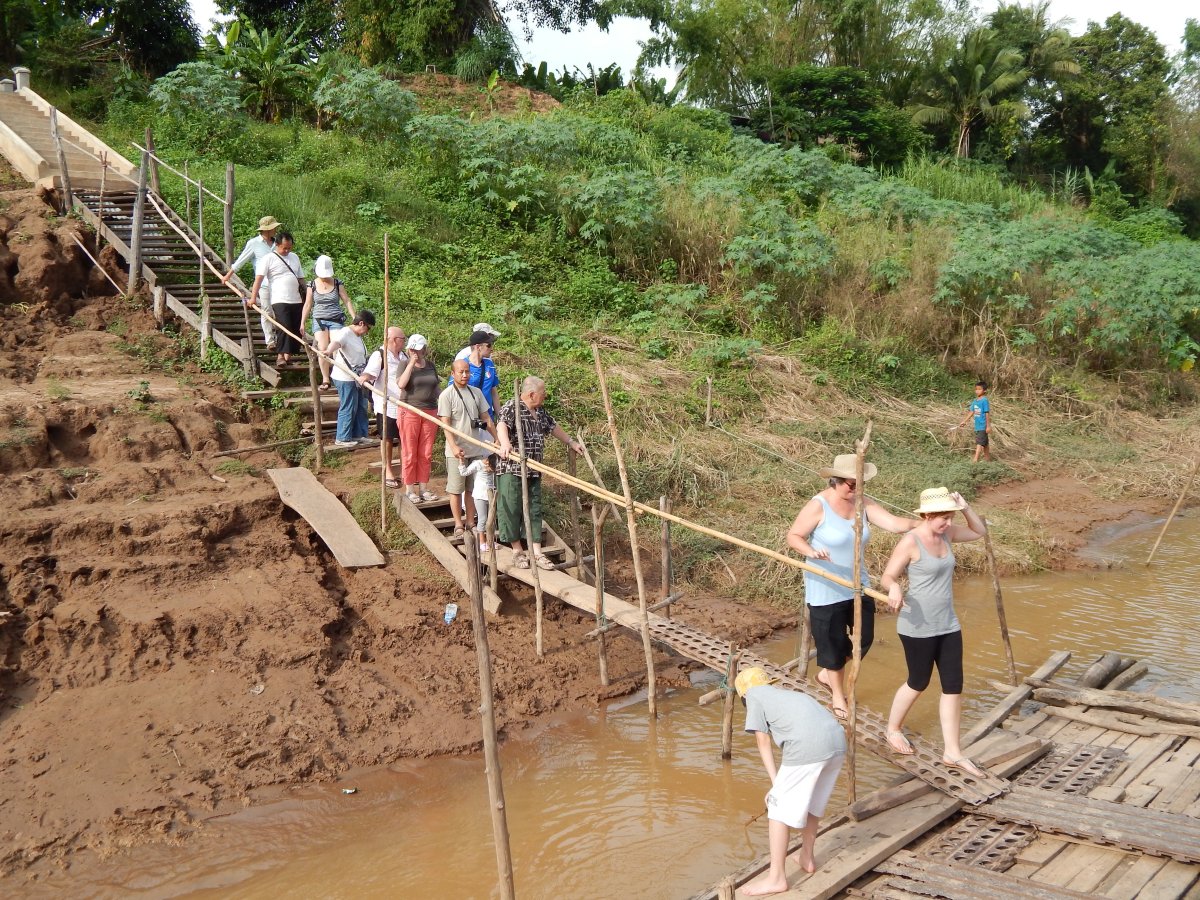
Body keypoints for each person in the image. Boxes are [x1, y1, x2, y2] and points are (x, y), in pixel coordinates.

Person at [786, 454, 918, 721]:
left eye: (860, 484)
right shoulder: (819, 505)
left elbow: (894, 524)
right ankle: (837, 694)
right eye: (851, 484)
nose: (856, 489)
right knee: (833, 645)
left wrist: (923, 523)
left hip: (857, 585)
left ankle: (827, 674)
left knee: (864, 639)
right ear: (836, 481)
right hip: (826, 588)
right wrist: (811, 552)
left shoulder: (863, 503)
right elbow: (794, 536)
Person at [881, 487, 987, 776]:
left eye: (951, 517)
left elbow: (979, 532)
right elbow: (888, 575)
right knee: (918, 682)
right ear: (927, 515)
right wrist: (893, 587)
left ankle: (953, 752)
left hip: (948, 624)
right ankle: (893, 729)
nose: (949, 523)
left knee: (953, 685)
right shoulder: (911, 541)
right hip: (917, 625)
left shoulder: (948, 534)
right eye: (944, 518)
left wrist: (965, 507)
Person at [735, 666, 846, 894]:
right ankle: (807, 856)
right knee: (813, 804)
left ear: (743, 694)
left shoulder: (753, 695)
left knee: (777, 809)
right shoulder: (791, 695)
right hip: (837, 743)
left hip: (808, 747)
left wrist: (776, 785)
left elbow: (762, 741)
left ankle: (776, 878)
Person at [496, 376, 582, 570]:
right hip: (512, 469)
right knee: (511, 507)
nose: (545, 396)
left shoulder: (540, 411)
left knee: (534, 508)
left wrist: (571, 442)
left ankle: (537, 552)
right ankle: (517, 551)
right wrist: (505, 443)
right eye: (543, 393)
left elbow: (553, 426)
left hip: (534, 470)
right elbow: (502, 425)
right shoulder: (512, 406)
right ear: (532, 394)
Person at [438, 360, 498, 537]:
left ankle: (471, 521)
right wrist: (454, 446)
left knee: (473, 488)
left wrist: (497, 438)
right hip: (458, 452)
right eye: (461, 372)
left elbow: (486, 418)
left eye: (467, 372)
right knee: (456, 489)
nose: (464, 375)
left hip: (476, 449)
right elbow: (445, 424)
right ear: (453, 374)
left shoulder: (476, 392)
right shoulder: (446, 395)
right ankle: (458, 524)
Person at [249, 230, 306, 368]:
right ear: (277, 245)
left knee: (295, 328)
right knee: (284, 326)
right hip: (279, 299)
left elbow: (301, 278)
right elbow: (259, 279)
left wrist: (307, 292)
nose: (287, 251)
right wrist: (253, 298)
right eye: (284, 248)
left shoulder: (294, 257)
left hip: (296, 299)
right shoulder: (268, 258)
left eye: (289, 248)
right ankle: (280, 355)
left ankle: (287, 357)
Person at [301, 255, 356, 390]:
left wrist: (354, 317)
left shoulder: (337, 283)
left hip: (336, 319)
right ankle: (326, 379)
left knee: (337, 348)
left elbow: (346, 300)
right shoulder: (312, 284)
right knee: (322, 348)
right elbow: (308, 304)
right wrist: (302, 322)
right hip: (319, 320)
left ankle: (339, 377)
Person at [397, 334, 441, 503]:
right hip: (410, 410)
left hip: (430, 410)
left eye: (418, 349)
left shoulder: (430, 365)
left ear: (424, 349)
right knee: (409, 451)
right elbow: (401, 384)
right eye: (412, 349)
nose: (415, 352)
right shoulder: (403, 364)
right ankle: (409, 489)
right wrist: (410, 364)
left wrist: (445, 401)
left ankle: (423, 488)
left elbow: (435, 387)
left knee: (426, 452)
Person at [324, 310, 376, 449]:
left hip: (358, 378)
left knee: (361, 406)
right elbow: (336, 343)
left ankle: (359, 434)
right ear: (361, 323)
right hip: (345, 377)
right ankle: (343, 437)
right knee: (349, 406)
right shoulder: (345, 332)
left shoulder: (357, 336)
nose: (367, 332)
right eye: (368, 328)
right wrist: (328, 351)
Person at [225, 215, 278, 348]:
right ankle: (270, 340)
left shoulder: (278, 243)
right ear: (267, 230)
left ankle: (280, 338)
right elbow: (240, 261)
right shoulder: (254, 243)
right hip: (263, 283)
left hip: (279, 283)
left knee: (279, 311)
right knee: (266, 310)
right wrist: (227, 276)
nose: (275, 230)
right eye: (273, 228)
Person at [363, 326, 406, 487]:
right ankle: (388, 470)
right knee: (387, 438)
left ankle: (405, 471)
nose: (404, 342)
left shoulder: (403, 355)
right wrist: (364, 377)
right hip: (386, 404)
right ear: (394, 340)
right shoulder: (380, 355)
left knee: (403, 438)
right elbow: (371, 372)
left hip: (403, 403)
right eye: (402, 339)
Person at [450, 329, 500, 420]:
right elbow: (452, 391)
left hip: (487, 417)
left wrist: (500, 417)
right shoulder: (462, 365)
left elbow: (494, 392)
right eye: (488, 345)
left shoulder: (490, 365)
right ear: (478, 347)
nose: (491, 348)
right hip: (467, 418)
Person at [459, 456, 496, 551]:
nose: (491, 471)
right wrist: (461, 462)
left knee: (491, 519)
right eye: (491, 468)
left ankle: (490, 541)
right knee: (483, 519)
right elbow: (464, 472)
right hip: (480, 496)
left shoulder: (494, 466)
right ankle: (482, 542)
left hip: (491, 496)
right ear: (487, 462)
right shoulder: (477, 464)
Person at [954, 381, 991, 462]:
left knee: (979, 443)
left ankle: (975, 460)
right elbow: (971, 412)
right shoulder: (975, 401)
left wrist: (988, 426)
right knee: (985, 443)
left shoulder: (984, 400)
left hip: (983, 425)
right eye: (976, 389)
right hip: (977, 425)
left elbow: (987, 413)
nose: (977, 391)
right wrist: (964, 421)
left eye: (979, 389)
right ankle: (988, 460)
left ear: (984, 390)